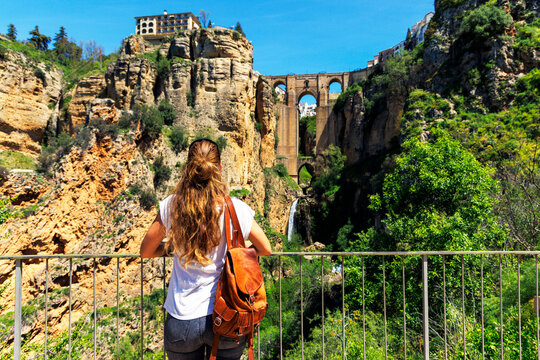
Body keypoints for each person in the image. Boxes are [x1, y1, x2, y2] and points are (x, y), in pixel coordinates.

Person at [140, 138, 272, 360]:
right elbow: (265, 248)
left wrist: (171, 248)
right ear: (219, 168)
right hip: (227, 314)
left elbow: (145, 251)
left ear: (188, 168)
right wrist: (238, 251)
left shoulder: (172, 205)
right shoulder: (236, 207)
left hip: (181, 319)